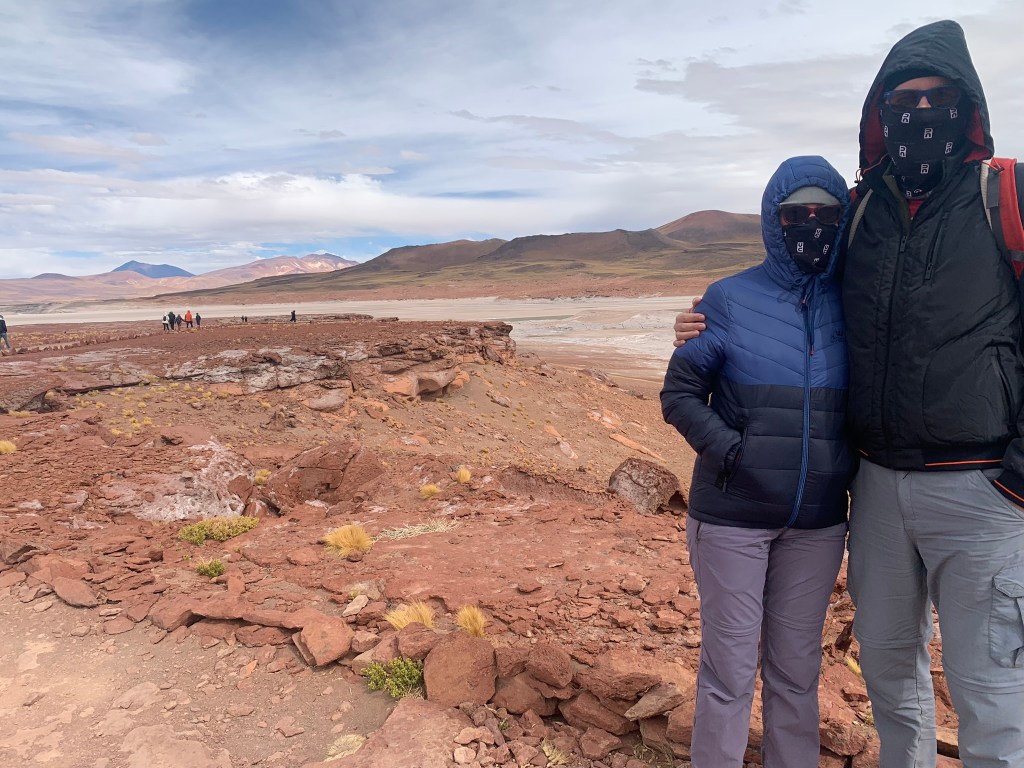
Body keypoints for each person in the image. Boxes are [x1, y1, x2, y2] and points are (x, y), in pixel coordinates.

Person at [675, 20, 1024, 767]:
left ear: (968, 108)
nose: (920, 114)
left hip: (979, 491)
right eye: (903, 101)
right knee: (890, 675)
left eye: (938, 99)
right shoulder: (863, 218)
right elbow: (773, 303)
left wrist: (1019, 477)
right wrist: (706, 329)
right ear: (878, 116)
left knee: (990, 690)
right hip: (873, 493)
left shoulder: (1005, 196)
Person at [662, 156, 852, 768]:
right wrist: (733, 452)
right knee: (730, 670)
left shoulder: (854, 302)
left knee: (796, 672)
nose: (813, 224)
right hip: (731, 518)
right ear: (774, 219)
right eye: (798, 213)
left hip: (818, 523)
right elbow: (679, 394)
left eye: (827, 213)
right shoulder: (730, 299)